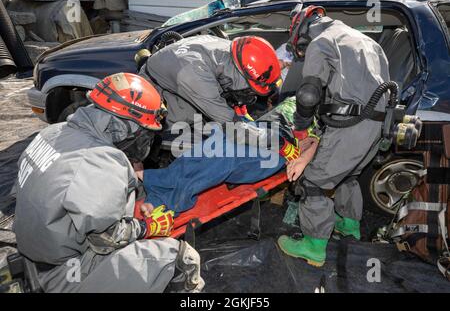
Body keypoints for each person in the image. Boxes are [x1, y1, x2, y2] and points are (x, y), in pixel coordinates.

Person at [13, 73, 204, 293]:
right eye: (145, 132)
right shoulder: (101, 160)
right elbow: (104, 239)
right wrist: (146, 227)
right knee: (180, 259)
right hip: (66, 270)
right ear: (124, 126)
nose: (147, 140)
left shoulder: (52, 132)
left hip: (35, 251)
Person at [277, 4, 390, 267]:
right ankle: (349, 226)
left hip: (350, 122)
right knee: (347, 175)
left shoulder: (322, 41)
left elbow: (308, 93)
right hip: (377, 125)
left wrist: (302, 129)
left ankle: (313, 246)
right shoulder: (368, 41)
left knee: (314, 182)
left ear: (302, 28)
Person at [139, 34, 282, 127]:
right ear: (240, 72)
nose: (251, 94)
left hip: (181, 77)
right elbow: (230, 122)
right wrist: (269, 140)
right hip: (157, 91)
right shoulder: (196, 74)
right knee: (184, 130)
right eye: (250, 88)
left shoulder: (230, 50)